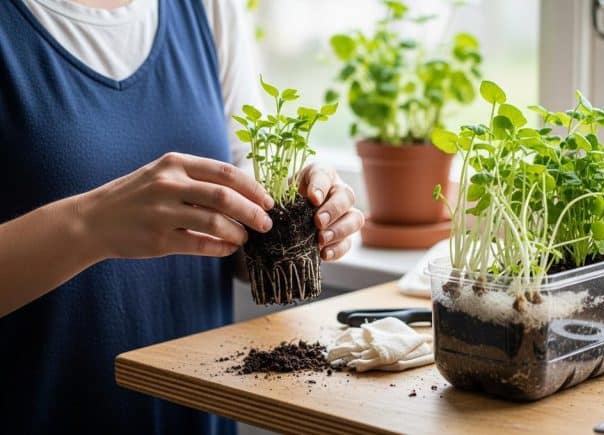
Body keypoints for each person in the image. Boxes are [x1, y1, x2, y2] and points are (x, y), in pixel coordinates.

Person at [0, 0, 364, 434]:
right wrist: (89, 224)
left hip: (195, 417)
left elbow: (238, 223)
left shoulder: (209, 8)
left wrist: (298, 220)